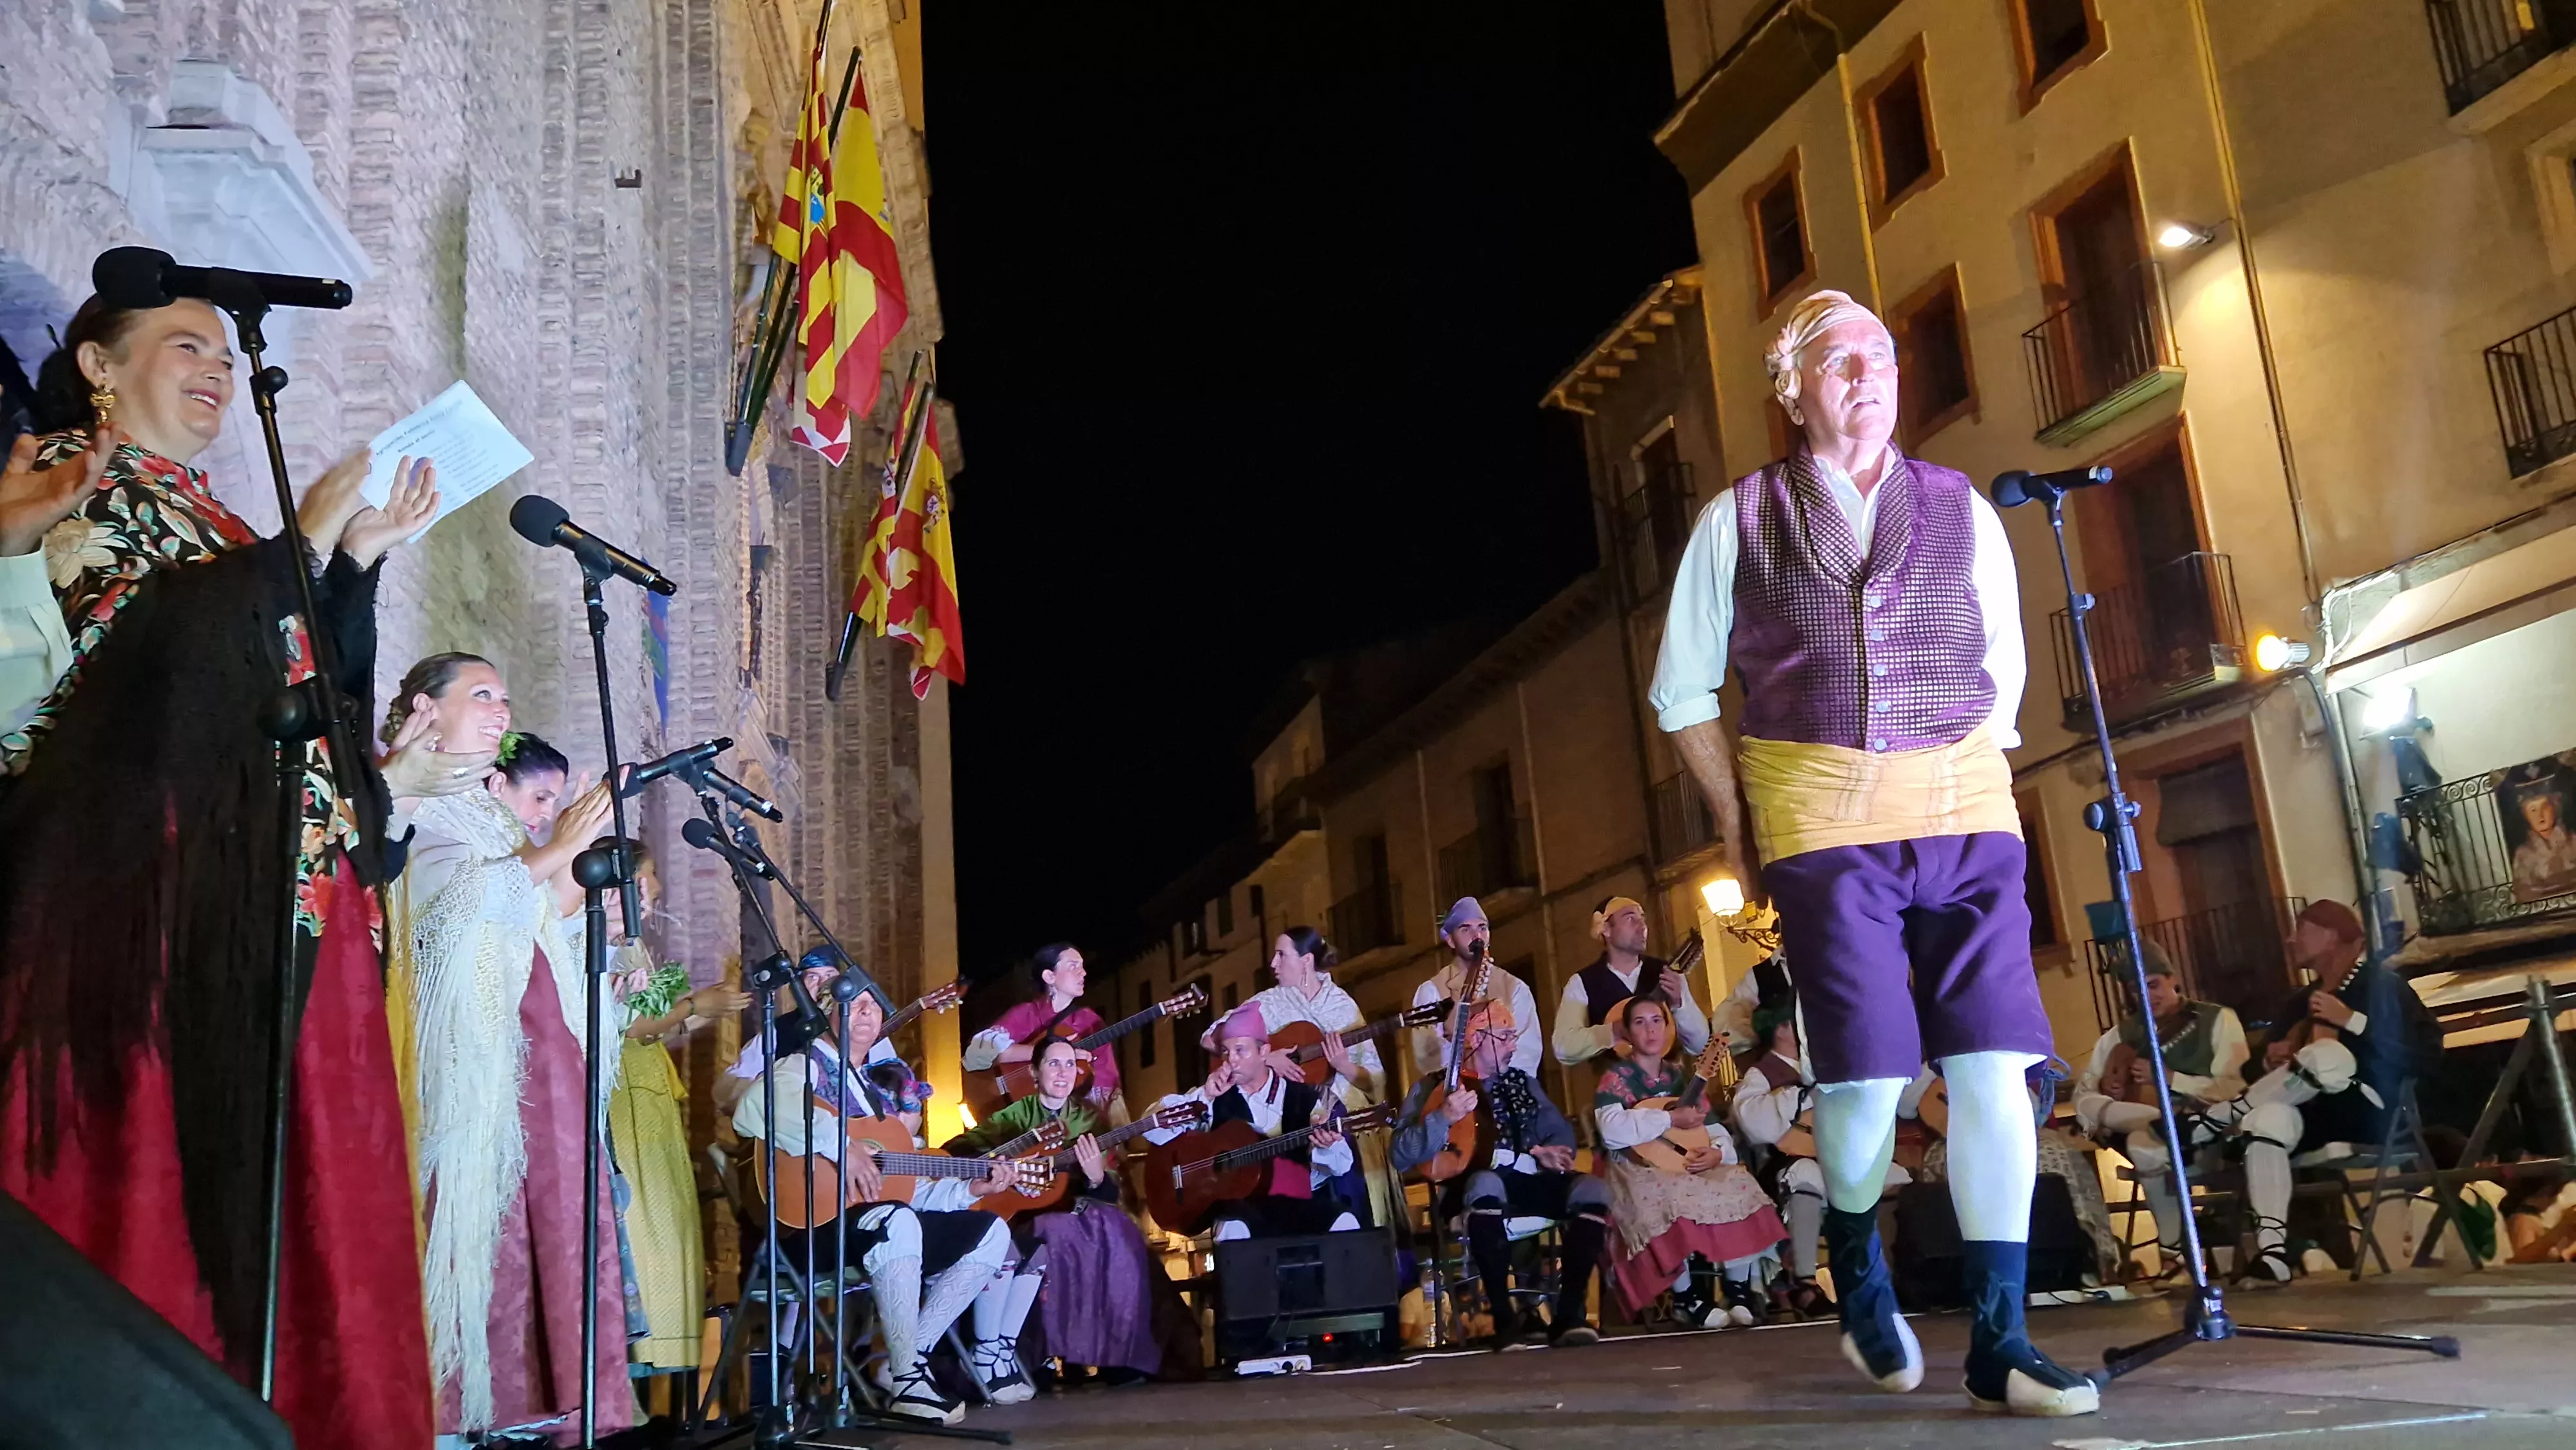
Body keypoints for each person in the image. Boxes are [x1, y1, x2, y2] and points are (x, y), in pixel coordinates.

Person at [0, 288, 448, 1450]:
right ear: (98, 361)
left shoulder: (213, 516)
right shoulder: (64, 473)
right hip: (149, 900)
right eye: (185, 346)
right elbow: (117, 666)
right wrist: (294, 550)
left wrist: (345, 569)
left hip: (275, 897)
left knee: (308, 1196)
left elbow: (295, 698)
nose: (216, 368)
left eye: (225, 351)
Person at [1651, 289, 2093, 1415]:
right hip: (1819, 809)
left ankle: (2001, 1338)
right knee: (1867, 1075)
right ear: (1790, 387)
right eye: (1840, 360)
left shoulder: (1960, 507)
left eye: (1883, 356)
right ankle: (1855, 1254)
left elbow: (2004, 668)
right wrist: (1736, 820)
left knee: (1998, 1063)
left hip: (1963, 796)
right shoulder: (1738, 518)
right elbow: (1682, 690)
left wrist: (1962, 774)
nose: (1869, 374)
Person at [393, 663, 638, 1441]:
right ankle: (456, 1412)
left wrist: (578, 846)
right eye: (485, 695)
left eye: (506, 694)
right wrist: (555, 847)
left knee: (550, 1228)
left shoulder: (490, 820)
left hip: (534, 1051)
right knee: (473, 1227)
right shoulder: (412, 801)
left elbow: (530, 914)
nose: (503, 708)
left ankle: (535, 1405)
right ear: (426, 709)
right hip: (469, 1060)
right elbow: (442, 909)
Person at [732, 979, 1026, 1424]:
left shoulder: (873, 1095)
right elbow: (756, 1104)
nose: (867, 1012)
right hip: (807, 1230)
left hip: (870, 1225)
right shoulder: (803, 1064)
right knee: (897, 1221)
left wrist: (970, 1190)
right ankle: (910, 1380)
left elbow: (901, 1184)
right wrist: (840, 1145)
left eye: (872, 1005)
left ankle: (907, 1361)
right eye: (854, 1004)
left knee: (989, 1233)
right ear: (826, 1014)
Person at [2187, 899, 2443, 1282]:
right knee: (2265, 1118)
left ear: (2333, 935)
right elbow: (2253, 1066)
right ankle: (2274, 1254)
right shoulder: (2298, 1003)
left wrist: (2352, 1021)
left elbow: (2427, 1054)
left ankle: (2216, 1120)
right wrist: (2270, 1061)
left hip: (2369, 1112)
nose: (2292, 939)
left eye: (2303, 929)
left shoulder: (2382, 987)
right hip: (2312, 1117)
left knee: (2328, 1054)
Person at [602, 842, 752, 1377]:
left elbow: (651, 1025)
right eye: (646, 890)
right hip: (619, 1103)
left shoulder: (630, 945)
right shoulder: (590, 936)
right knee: (637, 1232)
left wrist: (699, 1012)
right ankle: (622, 1372)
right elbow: (622, 1024)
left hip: (649, 1097)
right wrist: (692, 1006)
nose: (650, 903)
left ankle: (650, 1381)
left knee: (668, 1232)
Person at [1388, 998, 1606, 1348]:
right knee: (1487, 1182)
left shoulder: (1522, 1082)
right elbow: (1400, 1155)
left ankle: (1568, 1315)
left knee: (1593, 1190)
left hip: (1527, 1181)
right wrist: (1442, 1117)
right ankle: (1505, 1320)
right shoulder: (1433, 1087)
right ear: (1475, 1039)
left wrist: (1546, 1153)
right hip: (1467, 1190)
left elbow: (1560, 1135)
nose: (1514, 1044)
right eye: (1504, 1036)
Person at [946, 1037, 1159, 1387]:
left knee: (1122, 1235)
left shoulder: (1091, 1118)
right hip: (1029, 1215)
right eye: (1053, 1064)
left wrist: (1095, 1177)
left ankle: (1115, 1356)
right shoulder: (1014, 1115)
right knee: (1054, 1235)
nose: (1064, 1073)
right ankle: (1037, 1356)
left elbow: (1112, 1186)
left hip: (1084, 1210)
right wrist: (1003, 1164)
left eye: (1070, 1065)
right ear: (1034, 1072)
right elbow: (959, 1148)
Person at [1592, 996, 1786, 1328]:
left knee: (1738, 1182)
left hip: (1686, 1163)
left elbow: (1712, 1128)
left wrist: (1718, 1152)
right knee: (1667, 1196)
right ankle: (1687, 1297)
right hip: (1635, 1166)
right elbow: (1612, 1130)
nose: (1650, 1029)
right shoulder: (1616, 1077)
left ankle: (1737, 1290)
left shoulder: (1681, 1078)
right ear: (1627, 1032)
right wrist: (1669, 1120)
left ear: (1667, 1028)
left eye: (1657, 1020)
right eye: (1640, 1022)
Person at [2071, 943, 2246, 1281]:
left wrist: (2170, 1079)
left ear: (2173, 980)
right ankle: (2176, 1257)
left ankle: (2174, 1254)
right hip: (2155, 1130)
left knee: (2142, 1143)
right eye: (2138, 990)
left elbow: (2234, 1088)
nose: (2148, 996)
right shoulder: (2119, 1036)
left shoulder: (2217, 1020)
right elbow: (2084, 1096)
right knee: (2127, 1130)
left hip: (2209, 1135)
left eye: (2153, 985)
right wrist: (2111, 1093)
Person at [1202, 926, 1389, 1223]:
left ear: (1306, 960)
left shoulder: (1342, 1006)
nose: (1273, 964)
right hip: (1286, 1130)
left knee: (1351, 1213)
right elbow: (1210, 1038)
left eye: (1281, 955)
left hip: (1343, 1124)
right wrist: (1266, 1059)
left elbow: (1375, 1082)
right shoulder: (1267, 1002)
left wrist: (1344, 1065)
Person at [1144, 1006, 1357, 1238]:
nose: (1231, 1060)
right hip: (1242, 1212)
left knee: (1345, 1221)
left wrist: (1328, 1145)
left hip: (1298, 1207)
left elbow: (1340, 1167)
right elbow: (1151, 1129)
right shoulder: (1213, 1095)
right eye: (1226, 1052)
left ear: (1264, 1051)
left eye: (1240, 1051)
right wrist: (1205, 1095)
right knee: (1232, 1227)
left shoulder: (1303, 1098)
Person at [1732, 1002, 1830, 1317]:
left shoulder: (1822, 1062)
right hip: (1783, 1164)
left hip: (1837, 1155)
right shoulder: (1761, 1074)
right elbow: (1754, 1124)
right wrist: (1802, 1097)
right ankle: (1805, 1282)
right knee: (1806, 1173)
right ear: (1782, 1029)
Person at [965, 942, 1123, 1120]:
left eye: (1083, 966)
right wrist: (1051, 1052)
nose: (1083, 972)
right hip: (1025, 1115)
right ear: (1049, 976)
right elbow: (980, 1054)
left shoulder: (1089, 1021)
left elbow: (1105, 1080)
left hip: (1074, 1116)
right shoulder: (1026, 1014)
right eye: (1073, 966)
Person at [1553, 896, 1710, 1069]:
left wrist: (1679, 1005)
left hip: (1673, 1089)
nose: (1642, 926)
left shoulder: (1667, 973)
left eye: (1642, 918)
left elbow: (1700, 1045)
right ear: (1606, 929)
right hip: (1616, 1092)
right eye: (1630, 919)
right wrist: (1613, 1031)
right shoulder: (1582, 983)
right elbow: (1563, 1047)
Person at [1410, 897, 1542, 1080]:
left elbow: (1528, 1049)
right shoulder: (1432, 990)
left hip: (1506, 1089)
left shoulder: (1515, 987)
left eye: (1482, 928)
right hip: (1454, 1090)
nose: (1476, 936)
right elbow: (1428, 1054)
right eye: (1466, 929)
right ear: (1450, 940)